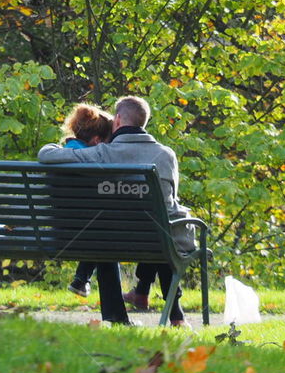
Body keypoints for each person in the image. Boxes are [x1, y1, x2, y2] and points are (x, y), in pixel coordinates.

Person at [38, 95, 194, 327]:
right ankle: (176, 317)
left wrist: (53, 145)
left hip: (113, 240)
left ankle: (116, 316)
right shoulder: (166, 154)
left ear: (118, 120)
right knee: (161, 224)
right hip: (160, 239)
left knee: (104, 236)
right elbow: (171, 200)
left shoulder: (103, 152)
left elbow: (47, 155)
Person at [57, 103, 113, 297]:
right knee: (105, 227)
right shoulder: (95, 161)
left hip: (59, 231)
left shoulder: (60, 153)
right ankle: (82, 278)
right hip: (91, 234)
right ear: (97, 141)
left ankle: (81, 279)